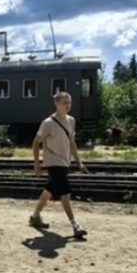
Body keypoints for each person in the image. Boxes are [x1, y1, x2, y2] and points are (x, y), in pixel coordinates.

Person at [30, 91, 89, 239]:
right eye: (65, 103)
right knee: (65, 193)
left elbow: (72, 143)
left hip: (65, 162)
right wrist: (37, 163)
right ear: (56, 104)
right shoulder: (48, 123)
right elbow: (36, 143)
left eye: (69, 102)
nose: (68, 105)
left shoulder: (71, 121)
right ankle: (75, 225)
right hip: (53, 163)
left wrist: (79, 162)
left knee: (49, 190)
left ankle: (35, 216)